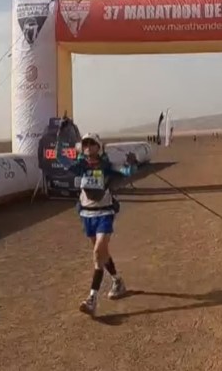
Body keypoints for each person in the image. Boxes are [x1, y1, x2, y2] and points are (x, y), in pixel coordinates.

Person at [55, 132, 138, 317]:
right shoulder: (80, 166)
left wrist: (132, 163)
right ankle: (117, 281)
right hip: (87, 215)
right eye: (85, 144)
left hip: (104, 213)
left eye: (91, 144)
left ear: (98, 147)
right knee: (102, 254)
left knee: (97, 253)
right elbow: (60, 158)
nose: (88, 147)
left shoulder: (107, 167)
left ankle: (92, 299)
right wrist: (61, 134)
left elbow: (127, 172)